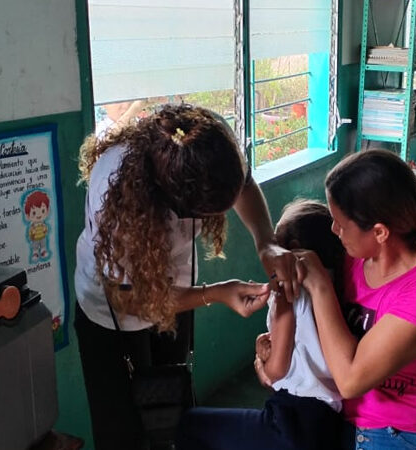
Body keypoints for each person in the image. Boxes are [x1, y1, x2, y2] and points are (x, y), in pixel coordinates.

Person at [75, 103, 299, 450]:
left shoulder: (206, 146)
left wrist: (266, 242)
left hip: (173, 294)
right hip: (113, 313)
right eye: (207, 214)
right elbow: (131, 300)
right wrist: (215, 293)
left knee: (173, 406)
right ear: (177, 204)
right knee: (123, 430)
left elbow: (243, 184)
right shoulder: (117, 199)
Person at [265, 150, 416, 450]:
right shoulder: (352, 262)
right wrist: (271, 346)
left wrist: (321, 286)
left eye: (340, 224)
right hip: (343, 421)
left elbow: (350, 381)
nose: (333, 231)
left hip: (404, 436)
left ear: (380, 232)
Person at [175, 200, 346, 450]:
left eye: (275, 241)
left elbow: (276, 370)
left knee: (190, 425)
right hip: (329, 422)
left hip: (292, 422)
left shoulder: (286, 293)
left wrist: (261, 362)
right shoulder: (337, 286)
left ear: (292, 249)